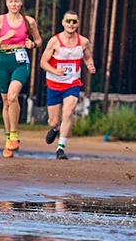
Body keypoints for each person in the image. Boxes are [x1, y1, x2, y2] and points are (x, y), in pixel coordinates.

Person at [0, 0, 43, 158]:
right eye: (11, 1)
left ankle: (14, 135)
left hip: (21, 62)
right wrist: (4, 38)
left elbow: (39, 40)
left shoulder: (29, 21)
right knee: (5, 102)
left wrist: (32, 45)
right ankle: (8, 140)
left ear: (21, 2)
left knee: (12, 97)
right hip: (3, 61)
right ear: (6, 3)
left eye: (17, 1)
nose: (14, 4)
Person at [40, 10, 96, 160]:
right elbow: (43, 62)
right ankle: (54, 128)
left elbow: (88, 58)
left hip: (72, 83)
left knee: (68, 112)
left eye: (74, 22)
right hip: (54, 83)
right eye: (68, 21)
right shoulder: (55, 41)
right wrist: (55, 71)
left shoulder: (83, 42)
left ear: (77, 24)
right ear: (63, 23)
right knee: (54, 120)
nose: (71, 24)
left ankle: (60, 148)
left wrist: (90, 66)